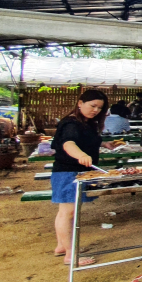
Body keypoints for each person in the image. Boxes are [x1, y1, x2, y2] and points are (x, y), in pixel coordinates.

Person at [51, 89, 115, 267]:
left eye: (100, 108)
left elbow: (84, 140)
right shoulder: (71, 123)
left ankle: (61, 246)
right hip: (68, 173)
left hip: (76, 172)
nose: (95, 110)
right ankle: (71, 255)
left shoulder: (86, 123)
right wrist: (80, 155)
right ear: (80, 103)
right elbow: (68, 143)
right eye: (92, 105)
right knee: (68, 213)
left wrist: (103, 144)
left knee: (65, 211)